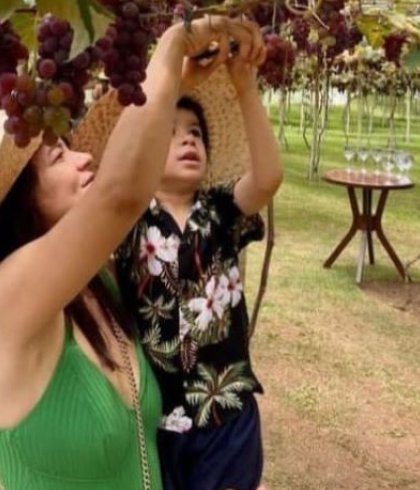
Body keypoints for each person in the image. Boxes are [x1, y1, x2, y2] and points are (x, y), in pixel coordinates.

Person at [0, 15, 264, 490]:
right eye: (58, 157)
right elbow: (121, 195)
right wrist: (171, 47)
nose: (84, 157)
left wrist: (176, 85)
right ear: (16, 202)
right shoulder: (2, 304)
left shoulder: (97, 282)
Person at [110, 41, 282, 490]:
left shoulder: (221, 209)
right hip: (157, 419)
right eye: (168, 131)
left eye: (196, 132)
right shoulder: (128, 219)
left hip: (227, 413)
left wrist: (246, 88)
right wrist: (169, 82)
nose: (188, 138)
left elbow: (267, 178)